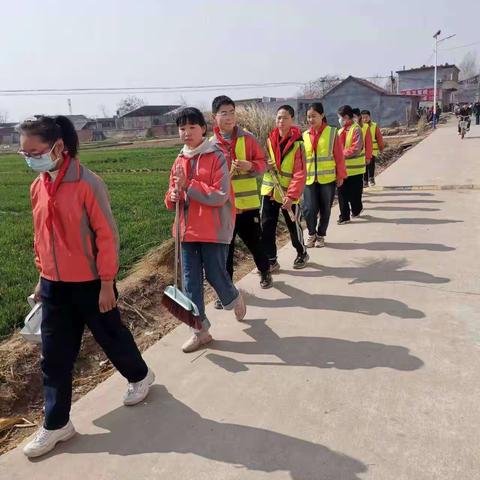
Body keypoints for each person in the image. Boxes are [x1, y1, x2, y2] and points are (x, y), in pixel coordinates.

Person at [18, 116, 154, 458]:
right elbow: (41, 237)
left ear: (58, 147)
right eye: (24, 153)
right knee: (54, 357)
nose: (30, 159)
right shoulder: (38, 186)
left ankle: (141, 375)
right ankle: (57, 423)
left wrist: (107, 282)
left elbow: (107, 236)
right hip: (54, 286)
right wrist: (42, 276)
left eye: (35, 151)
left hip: (91, 283)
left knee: (111, 336)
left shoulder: (87, 183)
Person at [165, 107, 247, 353]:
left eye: (192, 127)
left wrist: (189, 185)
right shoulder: (179, 159)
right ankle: (200, 331)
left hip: (213, 229)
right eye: (182, 128)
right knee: (190, 283)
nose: (187, 133)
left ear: (204, 129)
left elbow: (219, 195)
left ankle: (234, 296)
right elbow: (171, 197)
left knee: (215, 274)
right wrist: (173, 194)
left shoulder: (217, 157)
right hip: (186, 231)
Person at [210, 96, 272, 308]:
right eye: (223, 113)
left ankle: (265, 271)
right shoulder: (210, 145)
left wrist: (250, 165)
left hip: (248, 206)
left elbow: (263, 164)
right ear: (214, 117)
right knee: (225, 252)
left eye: (232, 112)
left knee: (255, 243)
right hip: (224, 209)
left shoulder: (248, 138)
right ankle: (226, 292)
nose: (229, 117)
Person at [261, 105, 308, 270]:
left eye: (285, 118)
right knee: (266, 227)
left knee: (293, 226)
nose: (281, 121)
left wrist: (292, 196)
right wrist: (263, 164)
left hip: (289, 193)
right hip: (270, 191)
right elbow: (261, 162)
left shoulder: (297, 144)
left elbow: (300, 173)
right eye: (278, 117)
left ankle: (302, 252)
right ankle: (271, 260)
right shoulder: (268, 140)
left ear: (292, 120)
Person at [302, 103, 347, 248]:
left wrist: (340, 175)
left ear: (322, 115)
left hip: (327, 179)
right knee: (309, 209)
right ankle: (311, 233)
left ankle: (321, 235)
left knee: (325, 208)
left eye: (314, 116)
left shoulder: (332, 133)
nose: (311, 119)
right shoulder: (304, 136)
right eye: (308, 117)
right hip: (309, 179)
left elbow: (339, 156)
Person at [336, 105, 365, 224]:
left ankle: (357, 210)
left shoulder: (356, 129)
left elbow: (356, 148)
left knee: (355, 195)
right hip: (343, 170)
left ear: (347, 117)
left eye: (340, 118)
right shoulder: (340, 131)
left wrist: (341, 154)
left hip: (356, 170)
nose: (339, 120)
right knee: (342, 194)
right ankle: (344, 216)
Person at [361, 109, 384, 187]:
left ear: (370, 117)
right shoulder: (360, 127)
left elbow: (379, 137)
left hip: (373, 150)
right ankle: (365, 181)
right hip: (363, 151)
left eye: (366, 117)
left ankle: (371, 178)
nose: (364, 119)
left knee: (371, 165)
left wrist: (381, 147)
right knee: (364, 166)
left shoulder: (374, 126)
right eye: (363, 117)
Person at [352, 108, 372, 189]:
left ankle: (366, 181)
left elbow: (369, 143)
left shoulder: (365, 127)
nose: (352, 119)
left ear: (359, 117)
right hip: (350, 160)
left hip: (361, 158)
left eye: (354, 117)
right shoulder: (347, 129)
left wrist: (368, 157)